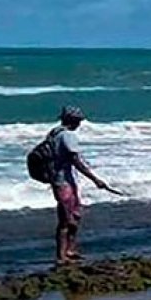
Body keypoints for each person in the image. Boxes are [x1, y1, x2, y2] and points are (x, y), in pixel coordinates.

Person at [49, 105, 112, 264]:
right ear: (73, 120)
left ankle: (70, 249)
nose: (80, 124)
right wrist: (95, 179)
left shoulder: (54, 133)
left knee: (74, 216)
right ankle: (61, 255)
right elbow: (75, 160)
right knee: (66, 219)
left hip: (61, 180)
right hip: (64, 182)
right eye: (78, 120)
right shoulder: (68, 136)